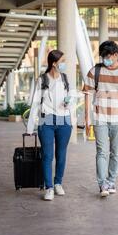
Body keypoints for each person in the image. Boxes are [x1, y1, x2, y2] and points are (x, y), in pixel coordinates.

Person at [83, 41, 118, 197]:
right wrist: (87, 118)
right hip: (100, 117)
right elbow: (87, 94)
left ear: (115, 55)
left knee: (115, 152)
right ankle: (102, 185)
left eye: (108, 57)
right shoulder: (95, 72)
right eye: (103, 57)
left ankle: (111, 181)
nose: (105, 60)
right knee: (101, 152)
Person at [27, 50, 75, 201]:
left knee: (61, 155)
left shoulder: (65, 79)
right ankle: (49, 187)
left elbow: (72, 97)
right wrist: (30, 127)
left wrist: (69, 102)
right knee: (47, 155)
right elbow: (35, 103)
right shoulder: (42, 80)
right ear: (54, 63)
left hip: (64, 121)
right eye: (62, 61)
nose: (64, 64)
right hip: (46, 120)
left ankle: (58, 183)